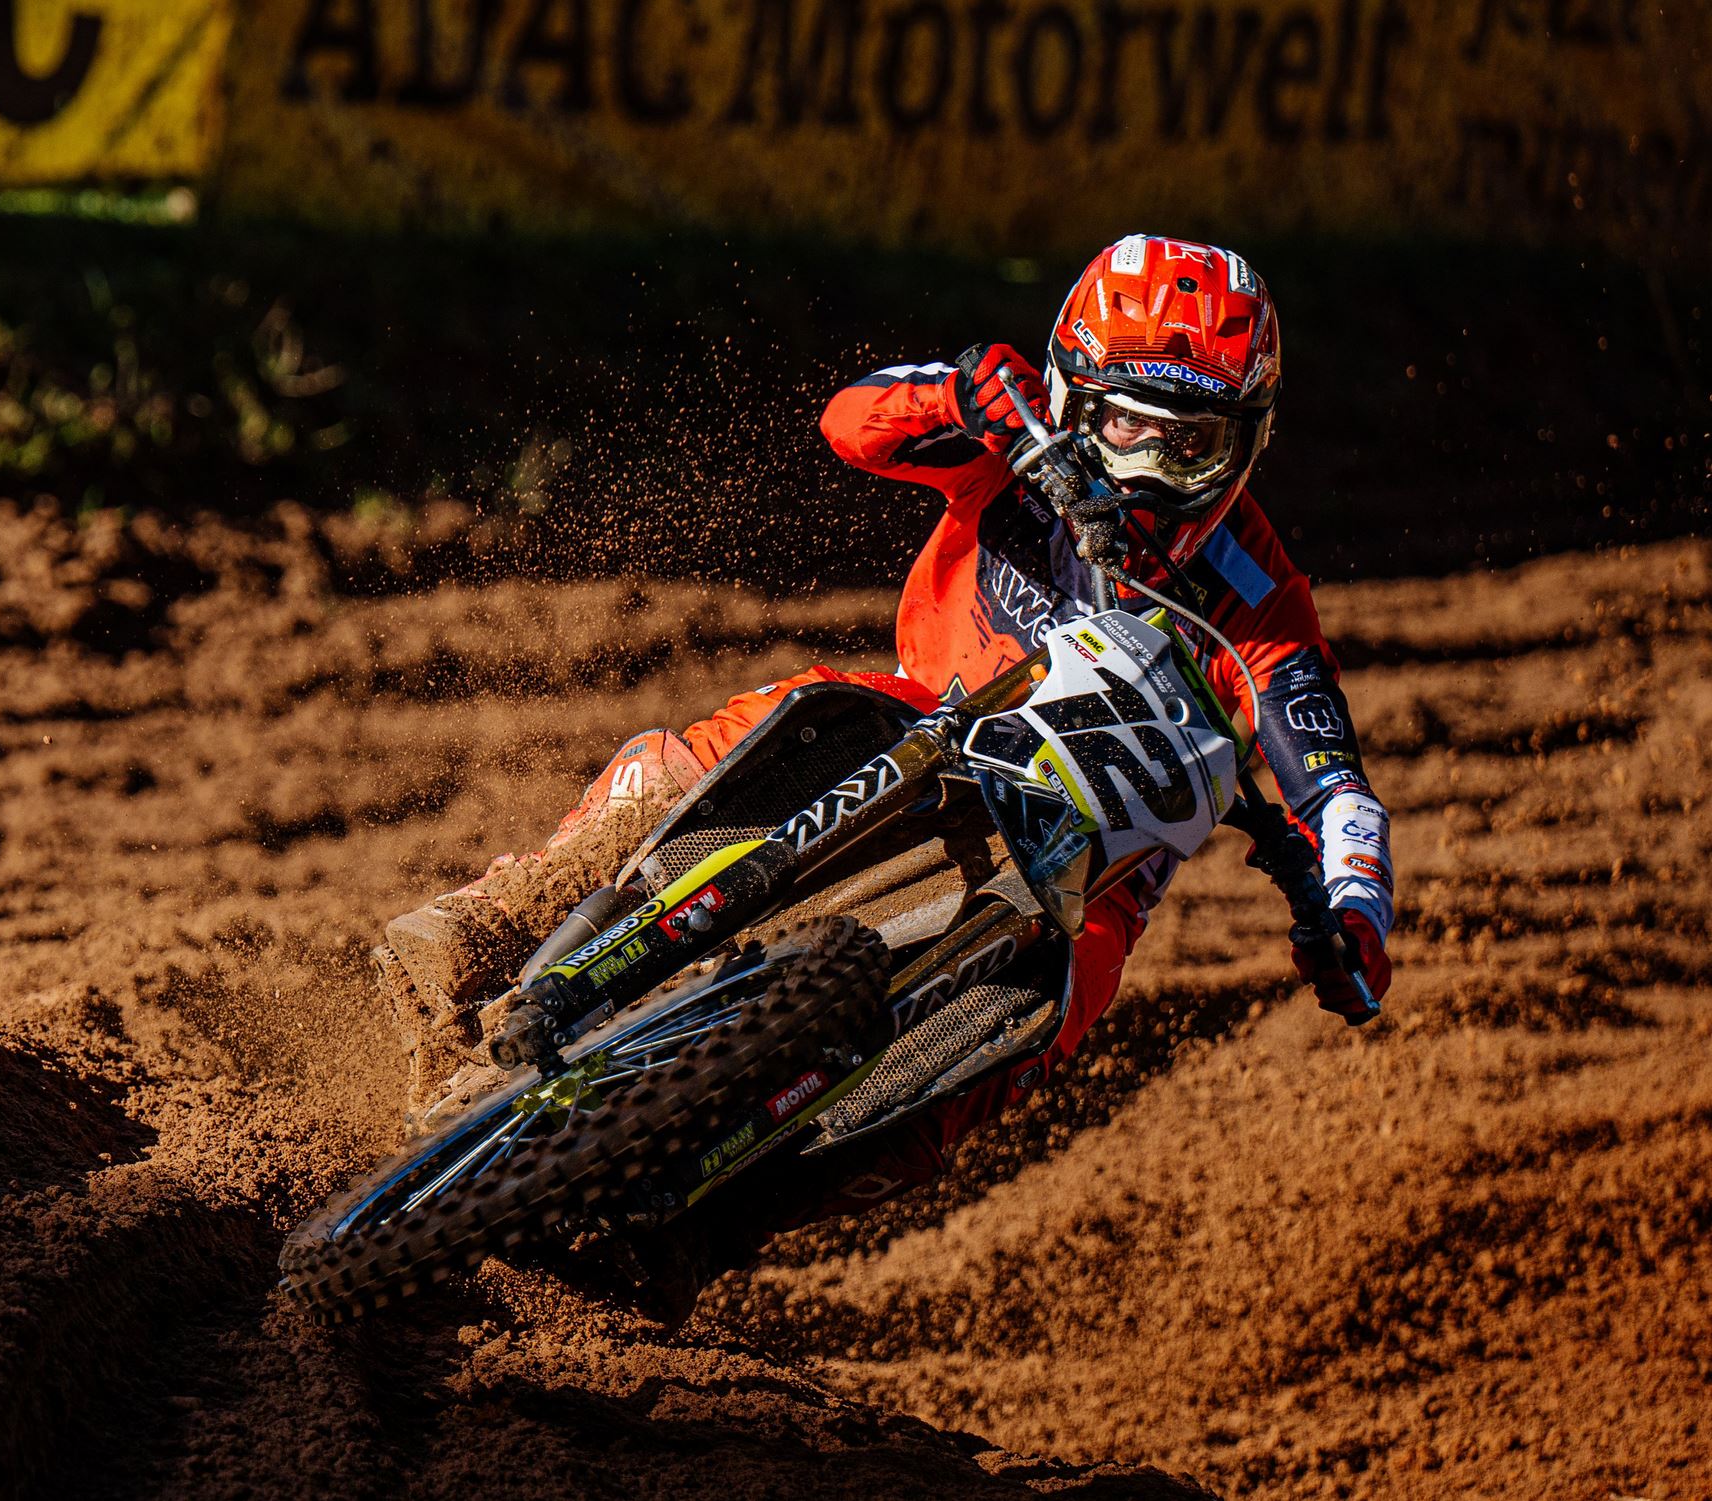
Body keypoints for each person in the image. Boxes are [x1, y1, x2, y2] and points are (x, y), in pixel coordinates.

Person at [371, 234, 1395, 1301]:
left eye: (1189, 447)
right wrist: (960, 395)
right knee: (756, 735)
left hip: (1090, 871)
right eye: (1124, 426)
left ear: (1248, 443)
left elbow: (1333, 784)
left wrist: (1354, 912)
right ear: (1069, 391)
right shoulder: (1019, 436)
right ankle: (498, 918)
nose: (1145, 471)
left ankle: (712, 1230)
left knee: (1027, 1035)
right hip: (929, 719)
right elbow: (849, 422)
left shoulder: (1258, 598)